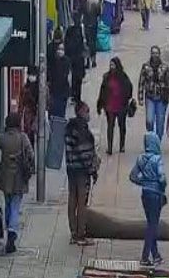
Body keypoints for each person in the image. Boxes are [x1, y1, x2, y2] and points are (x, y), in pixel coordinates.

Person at [0, 112, 35, 254]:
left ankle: (8, 227)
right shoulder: (23, 138)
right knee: (16, 205)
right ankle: (12, 231)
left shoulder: (3, 139)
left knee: (8, 203)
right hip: (19, 177)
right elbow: (31, 155)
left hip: (5, 177)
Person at [129, 132, 167, 267]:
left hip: (145, 194)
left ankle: (156, 255)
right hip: (156, 195)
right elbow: (162, 178)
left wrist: (144, 182)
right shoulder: (157, 159)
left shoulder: (140, 159)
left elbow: (132, 176)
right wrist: (160, 186)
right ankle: (145, 257)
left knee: (151, 224)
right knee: (152, 226)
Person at [64, 101, 99, 246]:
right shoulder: (82, 131)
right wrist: (93, 170)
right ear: (81, 112)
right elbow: (85, 153)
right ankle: (80, 234)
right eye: (87, 111)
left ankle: (73, 232)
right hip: (82, 171)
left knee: (72, 199)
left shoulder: (69, 128)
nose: (89, 114)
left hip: (71, 169)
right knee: (82, 202)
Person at [138, 46, 169, 140]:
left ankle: (157, 142)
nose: (155, 55)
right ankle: (151, 139)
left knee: (160, 123)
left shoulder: (165, 67)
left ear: (159, 54)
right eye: (153, 53)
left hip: (161, 98)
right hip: (150, 97)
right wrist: (140, 97)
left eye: (156, 53)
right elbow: (141, 82)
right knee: (149, 120)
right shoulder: (146, 67)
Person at [97, 57, 133, 154]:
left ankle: (122, 145)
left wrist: (126, 99)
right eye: (110, 65)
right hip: (109, 106)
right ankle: (110, 147)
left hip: (121, 106)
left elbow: (129, 89)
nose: (112, 67)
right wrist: (100, 105)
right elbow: (102, 91)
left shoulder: (124, 77)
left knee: (122, 126)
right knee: (110, 126)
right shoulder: (106, 77)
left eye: (113, 65)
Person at [65, 19, 86, 103]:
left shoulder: (71, 30)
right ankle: (76, 96)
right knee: (77, 79)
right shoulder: (80, 30)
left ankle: (74, 95)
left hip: (73, 58)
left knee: (74, 78)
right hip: (78, 59)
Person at [47, 43, 71, 118]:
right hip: (54, 91)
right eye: (59, 49)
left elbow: (67, 75)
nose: (60, 51)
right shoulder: (52, 62)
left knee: (61, 113)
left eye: (62, 49)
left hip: (63, 91)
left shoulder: (67, 61)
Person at [19, 66, 40, 147]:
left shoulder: (41, 89)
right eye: (30, 74)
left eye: (33, 74)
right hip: (27, 117)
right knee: (28, 137)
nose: (31, 77)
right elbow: (21, 103)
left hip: (37, 116)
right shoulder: (25, 89)